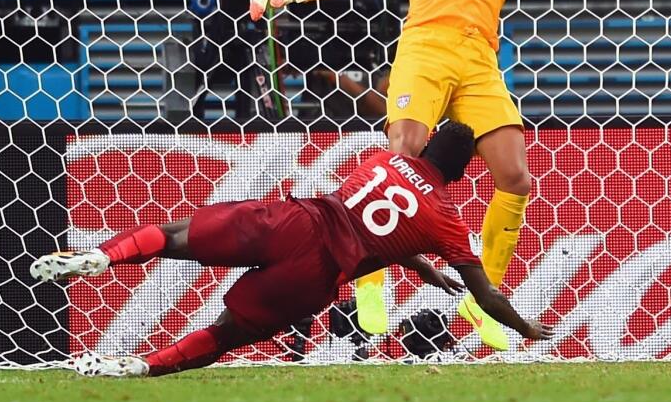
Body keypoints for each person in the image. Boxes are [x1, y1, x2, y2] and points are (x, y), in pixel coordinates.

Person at [247, 0, 601, 349]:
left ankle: (485, 303)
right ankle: (369, 278)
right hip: (425, 50)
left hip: (480, 61)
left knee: (515, 177)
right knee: (403, 160)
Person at [31, 121, 551, 376]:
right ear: (463, 171)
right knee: (226, 333)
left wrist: (417, 265)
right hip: (317, 272)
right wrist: (527, 327)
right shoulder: (445, 221)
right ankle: (143, 367)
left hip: (296, 221)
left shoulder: (380, 162)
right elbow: (483, 295)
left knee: (173, 238)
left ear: (429, 145)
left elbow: (367, 215)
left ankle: (101, 257)